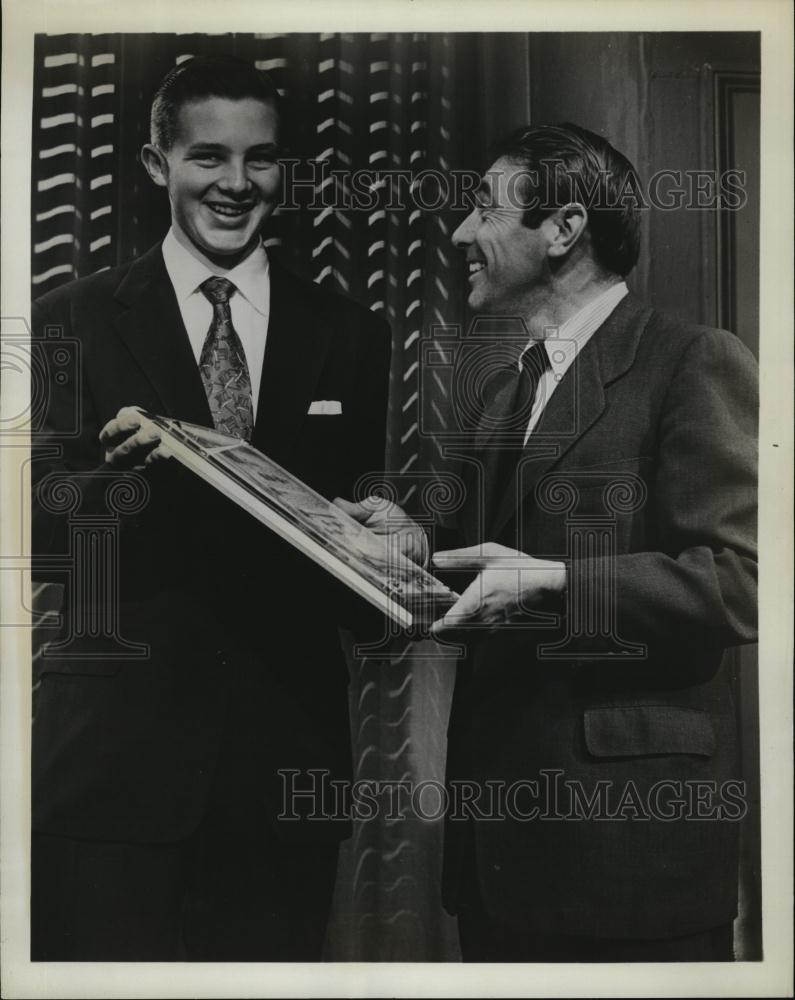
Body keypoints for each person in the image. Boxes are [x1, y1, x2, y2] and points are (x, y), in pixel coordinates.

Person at [350, 122, 758, 961]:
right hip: (505, 857)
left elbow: (742, 578)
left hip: (627, 858)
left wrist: (554, 583)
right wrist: (413, 537)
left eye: (482, 211)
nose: (460, 234)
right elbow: (477, 546)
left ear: (563, 229)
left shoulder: (691, 361)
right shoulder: (508, 391)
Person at [30, 54, 392, 961]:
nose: (235, 184)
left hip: (284, 766)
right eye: (207, 157)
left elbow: (355, 523)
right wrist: (124, 483)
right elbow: (27, 530)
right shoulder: (65, 317)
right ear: (158, 166)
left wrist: (387, 539)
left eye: (260, 159)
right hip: (112, 767)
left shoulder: (351, 333)